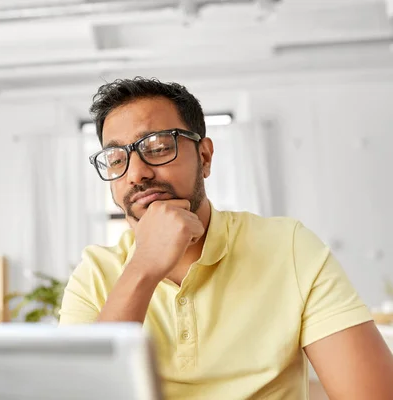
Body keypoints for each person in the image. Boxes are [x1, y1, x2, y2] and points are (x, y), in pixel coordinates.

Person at [58, 77, 393, 399]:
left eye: (158, 148)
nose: (136, 173)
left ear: (204, 157)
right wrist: (143, 267)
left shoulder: (289, 247)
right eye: (116, 160)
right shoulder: (95, 273)